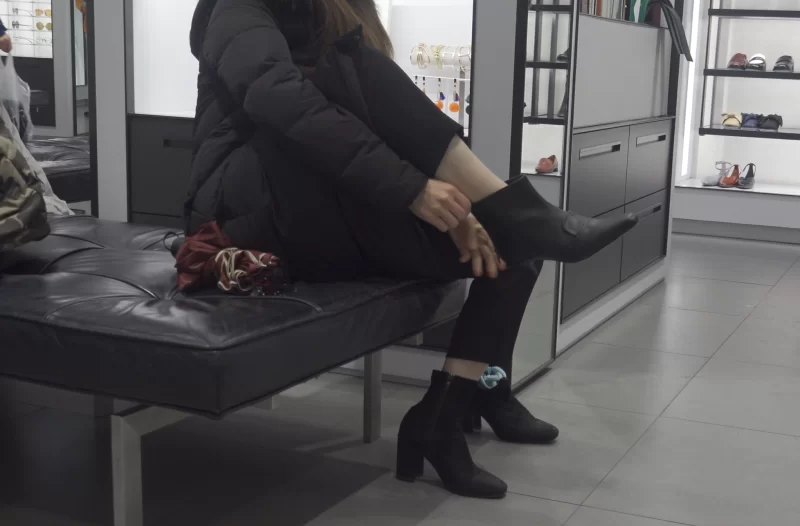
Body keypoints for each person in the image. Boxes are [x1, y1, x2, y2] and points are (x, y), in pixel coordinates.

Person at [188, 0, 638, 499]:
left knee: (510, 245)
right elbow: (284, 104)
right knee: (361, 65)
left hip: (312, 203)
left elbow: (364, 130)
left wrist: (453, 207)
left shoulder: (330, 14)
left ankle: (465, 401)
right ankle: (519, 212)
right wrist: (413, 190)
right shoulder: (237, 9)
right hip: (244, 212)